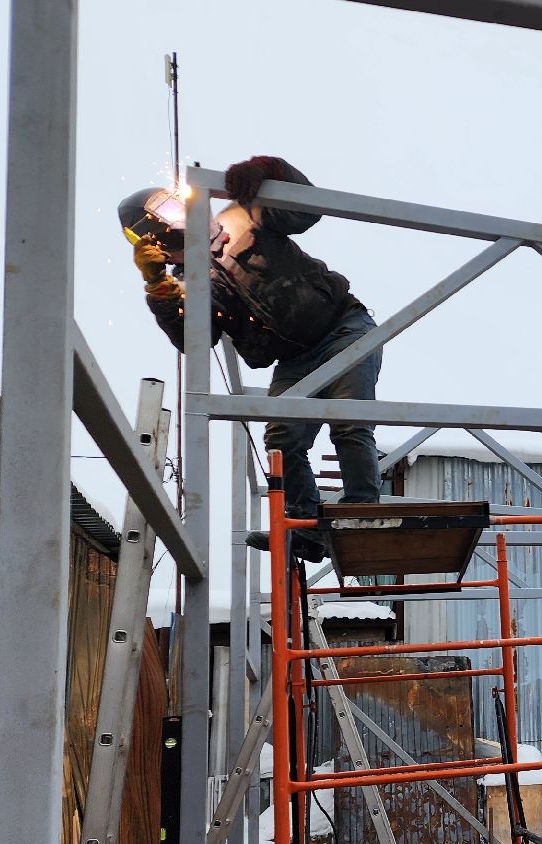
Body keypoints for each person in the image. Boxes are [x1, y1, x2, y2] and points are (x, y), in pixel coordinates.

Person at [122, 156, 380, 563]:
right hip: (295, 359)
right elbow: (194, 340)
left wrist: (270, 171)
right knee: (282, 436)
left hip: (342, 327)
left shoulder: (246, 216)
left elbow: (307, 209)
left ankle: (363, 519)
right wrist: (159, 287)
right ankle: (307, 529)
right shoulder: (193, 283)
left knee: (348, 422)